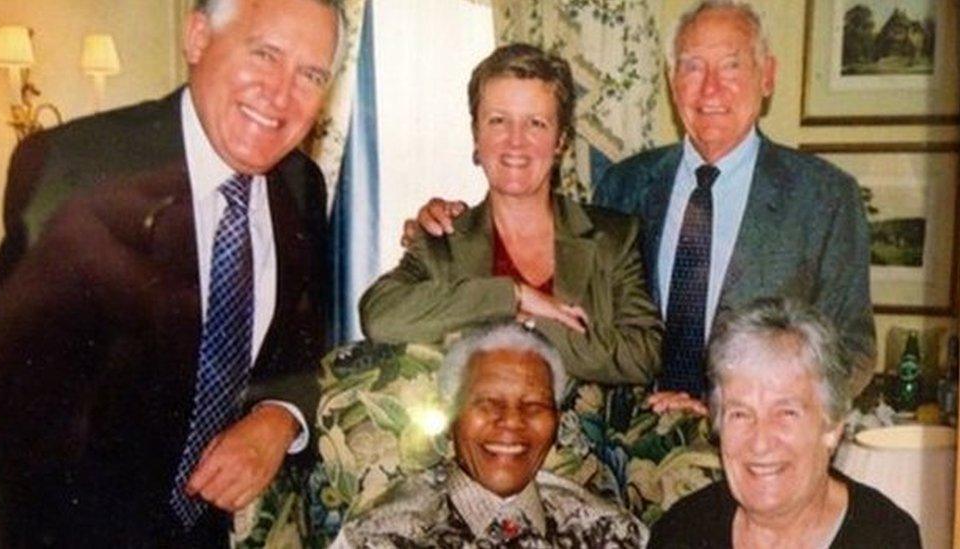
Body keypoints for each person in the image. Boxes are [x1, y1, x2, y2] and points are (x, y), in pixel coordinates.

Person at [0, 0, 338, 546]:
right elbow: (19, 431)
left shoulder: (301, 187)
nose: (281, 94)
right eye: (265, 53)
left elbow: (301, 338)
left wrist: (280, 415)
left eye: (310, 74)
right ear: (197, 39)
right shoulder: (73, 168)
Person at [410, 1, 875, 403]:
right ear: (672, 80)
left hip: (755, 447)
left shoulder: (824, 198)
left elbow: (852, 350)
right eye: (692, 67)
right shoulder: (624, 184)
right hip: (627, 449)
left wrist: (742, 409)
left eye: (732, 65)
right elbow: (544, 244)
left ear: (767, 76)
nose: (710, 89)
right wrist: (454, 222)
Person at [360, 43, 663, 385]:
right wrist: (513, 296)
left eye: (535, 123)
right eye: (498, 121)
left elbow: (643, 355)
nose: (515, 142)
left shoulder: (613, 237)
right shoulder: (443, 239)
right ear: (476, 136)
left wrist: (527, 322)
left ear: (561, 141)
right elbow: (379, 316)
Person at [333, 324, 647, 547]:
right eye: (488, 403)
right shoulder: (379, 537)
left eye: (534, 405)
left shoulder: (612, 533)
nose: (511, 421)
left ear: (558, 423)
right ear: (452, 417)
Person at [648, 298, 920, 548]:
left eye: (786, 413)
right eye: (740, 414)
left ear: (832, 427)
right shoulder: (681, 532)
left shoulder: (887, 538)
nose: (760, 442)